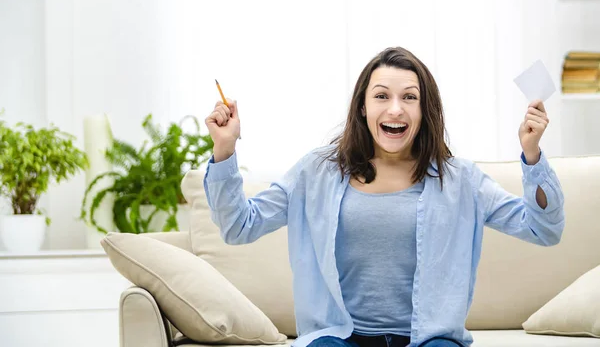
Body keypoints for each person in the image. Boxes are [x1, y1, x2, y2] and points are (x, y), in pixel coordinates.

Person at [201, 47, 565, 347]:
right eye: (381, 97)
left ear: (424, 111)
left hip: (429, 340)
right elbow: (238, 226)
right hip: (340, 338)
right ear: (363, 107)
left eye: (409, 97)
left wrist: (532, 156)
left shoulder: (462, 180)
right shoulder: (316, 172)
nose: (395, 109)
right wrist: (225, 150)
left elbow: (542, 229)